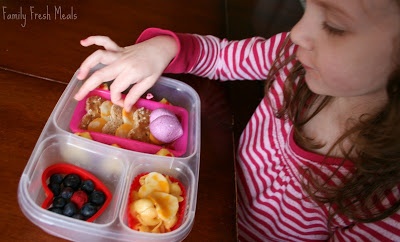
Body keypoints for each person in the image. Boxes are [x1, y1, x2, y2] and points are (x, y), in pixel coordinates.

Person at [74, 0, 400, 241]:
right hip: (209, 187)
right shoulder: (290, 56)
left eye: (334, 25)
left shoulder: (387, 204)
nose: (298, 32)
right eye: (305, 6)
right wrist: (159, 48)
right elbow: (218, 57)